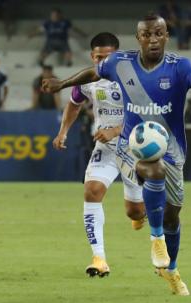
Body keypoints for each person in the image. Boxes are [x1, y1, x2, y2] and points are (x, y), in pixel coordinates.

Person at [42, 14, 191, 296]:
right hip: (129, 145)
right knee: (152, 169)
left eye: (158, 34)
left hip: (172, 148)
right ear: (138, 38)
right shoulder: (120, 63)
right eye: (147, 34)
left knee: (173, 214)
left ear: (166, 36)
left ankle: (171, 269)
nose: (152, 39)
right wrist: (62, 83)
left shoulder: (180, 66)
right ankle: (155, 237)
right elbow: (93, 72)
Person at [52, 32, 145, 278]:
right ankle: (99, 258)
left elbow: (145, 115)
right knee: (92, 190)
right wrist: (63, 132)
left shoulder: (133, 79)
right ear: (92, 57)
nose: (102, 63)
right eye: (98, 57)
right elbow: (74, 103)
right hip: (105, 148)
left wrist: (115, 130)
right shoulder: (88, 80)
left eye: (108, 58)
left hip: (134, 149)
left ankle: (140, 214)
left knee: (134, 212)